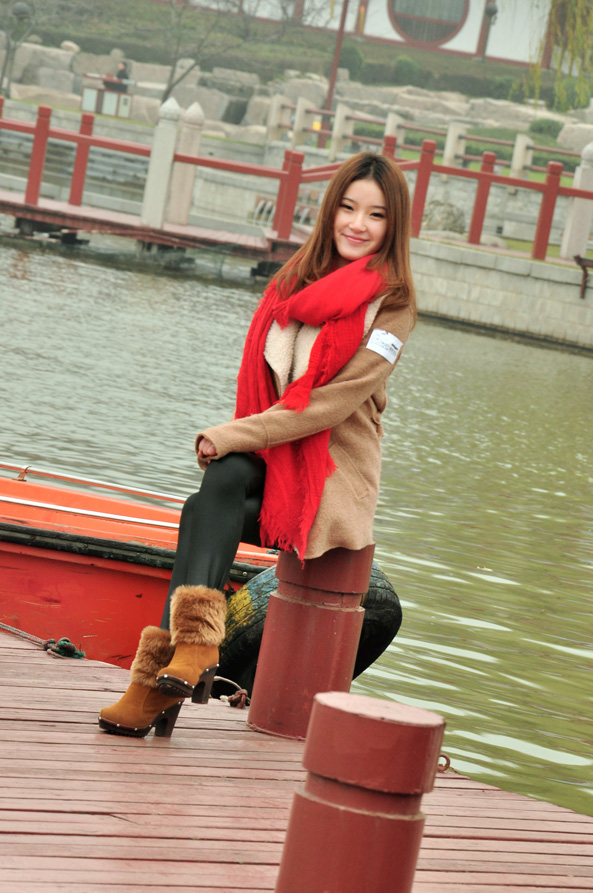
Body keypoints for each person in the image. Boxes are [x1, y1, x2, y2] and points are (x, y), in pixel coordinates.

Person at [98, 151, 416, 738]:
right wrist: (239, 441)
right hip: (276, 460)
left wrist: (231, 435)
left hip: (331, 477)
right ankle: (188, 655)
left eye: (375, 215)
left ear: (393, 226)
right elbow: (267, 387)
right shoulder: (291, 286)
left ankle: (156, 683)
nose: (357, 224)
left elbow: (329, 405)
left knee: (206, 500)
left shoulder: (392, 307)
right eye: (348, 208)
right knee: (213, 491)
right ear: (330, 210)